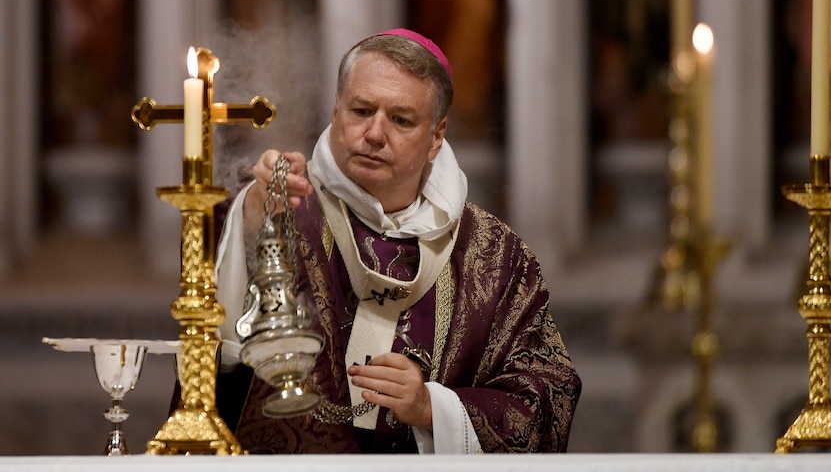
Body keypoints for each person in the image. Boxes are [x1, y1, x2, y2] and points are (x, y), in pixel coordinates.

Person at [213, 28, 580, 454]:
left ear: (436, 137)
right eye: (361, 110)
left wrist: (433, 408)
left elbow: (548, 397)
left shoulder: (494, 257)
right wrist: (255, 214)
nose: (374, 134)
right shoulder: (287, 207)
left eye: (401, 119)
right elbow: (211, 338)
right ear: (336, 111)